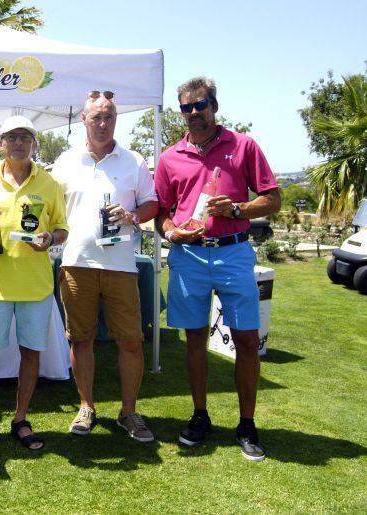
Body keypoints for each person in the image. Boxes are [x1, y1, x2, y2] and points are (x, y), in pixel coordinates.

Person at [154, 76, 281, 462]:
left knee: (246, 339)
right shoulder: (170, 157)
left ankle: (246, 423)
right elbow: (161, 212)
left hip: (233, 253)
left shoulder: (243, 146)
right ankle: (200, 415)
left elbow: (273, 199)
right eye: (186, 107)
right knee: (194, 341)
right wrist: (172, 231)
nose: (194, 113)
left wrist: (239, 209)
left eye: (200, 105)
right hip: (189, 259)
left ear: (214, 106)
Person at [52, 90, 159, 441]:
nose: (102, 123)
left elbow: (152, 204)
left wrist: (132, 216)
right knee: (80, 340)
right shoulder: (65, 162)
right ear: (83, 119)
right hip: (76, 263)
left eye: (109, 117)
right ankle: (87, 407)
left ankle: (128, 412)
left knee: (131, 342)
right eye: (96, 116)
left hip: (121, 266)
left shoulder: (134, 161)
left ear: (116, 120)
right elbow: (52, 212)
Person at [0, 115, 68, 451]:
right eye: (11, 137)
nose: (18, 143)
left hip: (35, 285)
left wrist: (50, 237)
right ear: (1, 143)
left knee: (31, 353)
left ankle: (21, 418)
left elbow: (63, 228)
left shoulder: (49, 182)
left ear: (34, 143)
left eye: (25, 137)